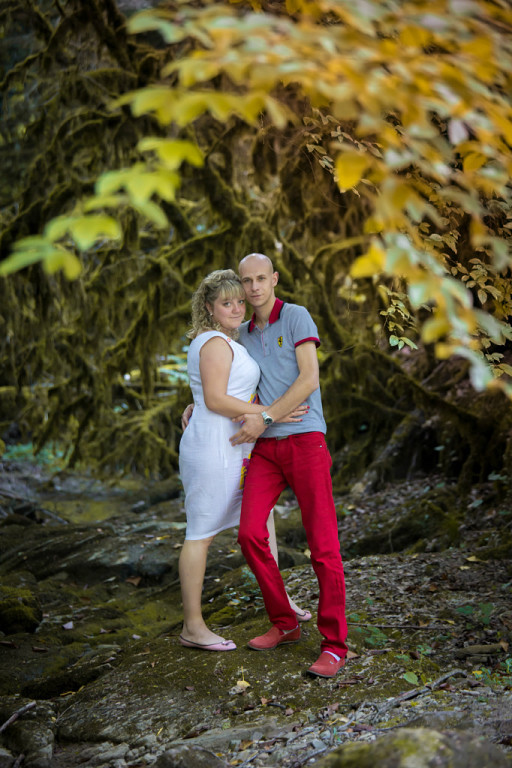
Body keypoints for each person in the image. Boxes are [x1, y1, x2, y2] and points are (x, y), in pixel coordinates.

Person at [229, 252, 348, 678]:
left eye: (261, 278)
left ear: (274, 279)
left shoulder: (296, 316)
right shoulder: (241, 333)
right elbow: (227, 383)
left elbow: (309, 379)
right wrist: (195, 406)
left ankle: (334, 645)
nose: (254, 287)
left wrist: (266, 416)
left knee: (323, 547)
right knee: (248, 534)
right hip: (266, 448)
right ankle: (285, 623)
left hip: (305, 441)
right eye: (247, 281)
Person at [178, 268, 310, 653]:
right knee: (200, 533)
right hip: (213, 448)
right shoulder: (214, 342)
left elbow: (215, 393)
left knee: (262, 521)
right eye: (226, 303)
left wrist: (263, 412)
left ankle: (282, 602)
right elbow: (215, 400)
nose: (237, 308)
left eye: (239, 301)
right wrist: (274, 411)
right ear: (209, 307)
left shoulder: (226, 340)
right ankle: (193, 626)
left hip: (238, 446)